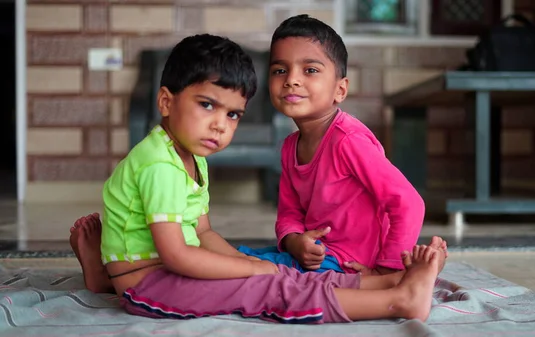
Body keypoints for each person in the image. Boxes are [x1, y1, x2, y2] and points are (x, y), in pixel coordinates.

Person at [69, 33, 445, 324]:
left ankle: (386, 282)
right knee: (267, 287)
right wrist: (253, 269)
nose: (220, 124)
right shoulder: (159, 165)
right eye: (207, 105)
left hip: (153, 270)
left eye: (233, 114)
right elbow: (179, 254)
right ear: (166, 102)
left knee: (274, 269)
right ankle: (398, 299)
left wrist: (258, 265)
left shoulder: (189, 157)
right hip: (151, 283)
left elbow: (202, 234)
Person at [239, 14, 446, 276]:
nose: (291, 79)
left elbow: (408, 203)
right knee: (239, 257)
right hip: (316, 256)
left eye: (310, 70)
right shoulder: (290, 146)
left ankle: (407, 277)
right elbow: (290, 213)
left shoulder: (349, 141)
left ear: (340, 90)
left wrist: (386, 270)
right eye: (280, 70)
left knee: (254, 274)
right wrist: (295, 242)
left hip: (350, 263)